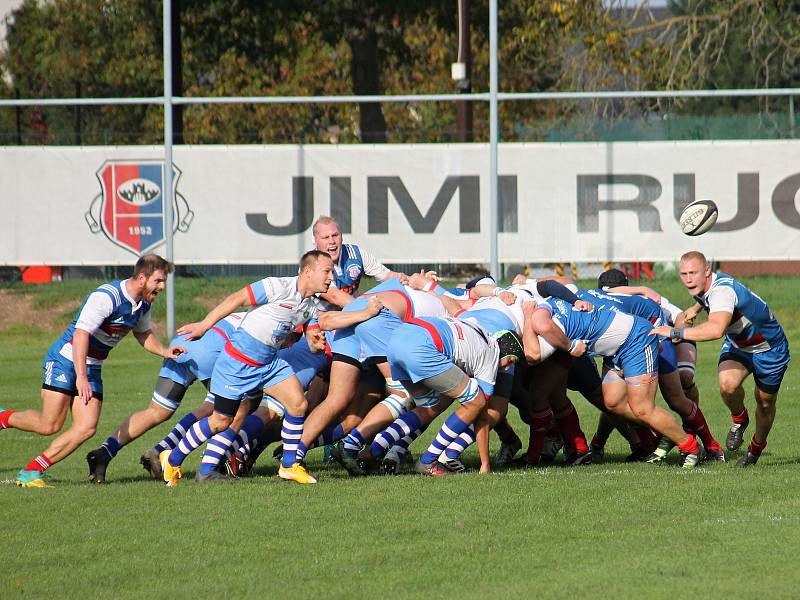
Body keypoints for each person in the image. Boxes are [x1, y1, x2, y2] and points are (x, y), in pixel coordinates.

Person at [1, 254, 184, 487]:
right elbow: (81, 335)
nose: (162, 286)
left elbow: (143, 333)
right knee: (49, 425)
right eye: (158, 280)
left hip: (92, 365)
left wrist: (165, 352)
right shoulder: (107, 297)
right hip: (66, 359)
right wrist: (82, 377)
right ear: (141, 278)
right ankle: (3, 418)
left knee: (86, 427)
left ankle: (31, 471)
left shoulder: (143, 304)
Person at [159, 250, 335, 486]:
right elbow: (237, 298)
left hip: (268, 363)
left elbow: (304, 332)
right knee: (220, 421)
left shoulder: (311, 306)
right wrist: (203, 325)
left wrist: (311, 341)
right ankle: (173, 457)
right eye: (327, 271)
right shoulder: (277, 286)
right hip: (237, 364)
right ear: (308, 271)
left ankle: (289, 465)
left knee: (297, 403)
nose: (331, 277)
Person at [651, 251, 790, 467]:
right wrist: (696, 307)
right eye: (684, 273)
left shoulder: (722, 292)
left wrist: (674, 332)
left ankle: (754, 450)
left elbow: (716, 329)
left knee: (764, 402)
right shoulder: (704, 285)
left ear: (707, 271)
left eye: (693, 273)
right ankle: (739, 419)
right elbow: (707, 298)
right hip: (738, 344)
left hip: (769, 348)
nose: (688, 279)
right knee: (727, 386)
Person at [85, 312, 247, 484]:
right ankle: (208, 468)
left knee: (157, 411)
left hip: (184, 342)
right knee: (237, 408)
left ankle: (105, 452)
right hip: (210, 350)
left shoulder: (244, 312)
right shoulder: (271, 321)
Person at [311, 216, 408, 309]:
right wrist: (367, 309)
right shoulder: (312, 263)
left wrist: (410, 280)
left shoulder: (356, 253)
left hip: (352, 308)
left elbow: (387, 276)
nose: (332, 241)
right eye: (325, 237)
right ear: (315, 242)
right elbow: (335, 296)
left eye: (335, 235)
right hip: (319, 314)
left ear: (342, 237)